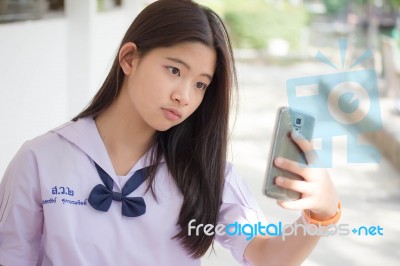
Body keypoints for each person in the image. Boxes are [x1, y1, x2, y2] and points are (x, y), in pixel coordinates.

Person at [0, 0, 340, 265]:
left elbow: (265, 255)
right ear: (130, 59)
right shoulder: (39, 160)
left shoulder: (206, 173)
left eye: (200, 84)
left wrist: (321, 215)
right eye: (174, 69)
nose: (184, 95)